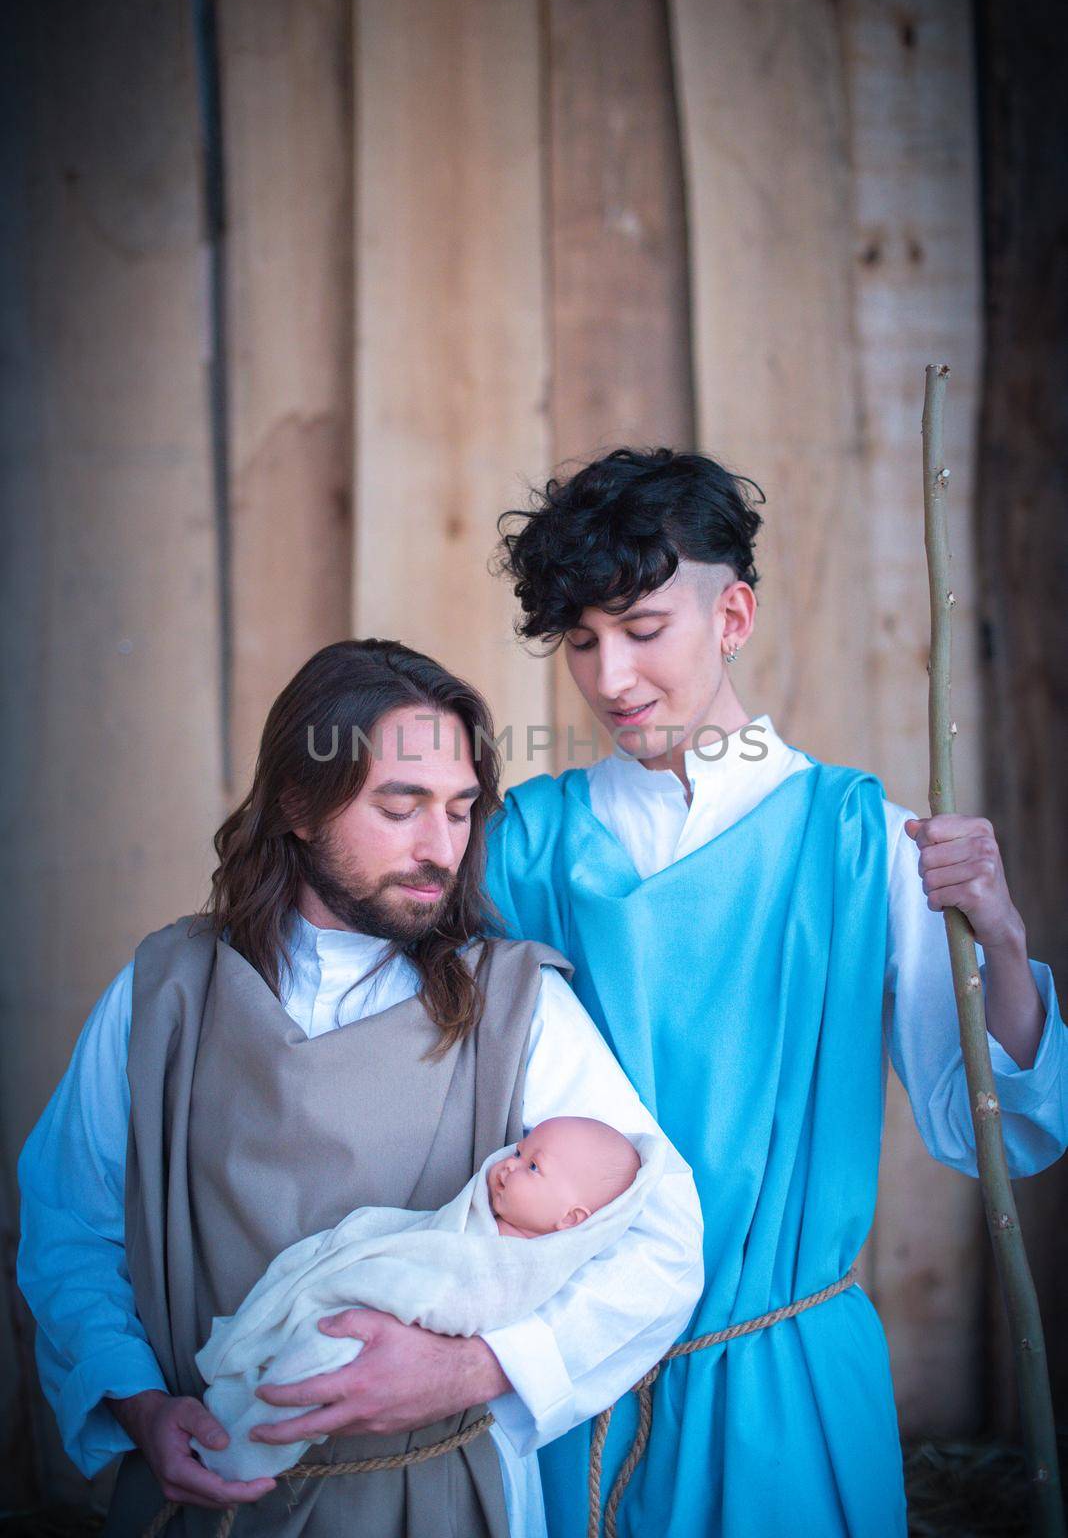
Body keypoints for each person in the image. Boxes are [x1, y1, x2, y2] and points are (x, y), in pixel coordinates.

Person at [486, 447, 1068, 1538]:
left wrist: (1002, 934)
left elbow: (1001, 1131)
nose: (610, 677)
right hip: (576, 1389)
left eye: (643, 628)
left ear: (734, 614)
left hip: (784, 1388)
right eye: (581, 641)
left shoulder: (866, 842)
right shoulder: (522, 846)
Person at [17, 639, 703, 1538]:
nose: (441, 847)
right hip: (209, 1498)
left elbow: (664, 1242)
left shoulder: (516, 1005)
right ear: (298, 802)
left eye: (461, 810)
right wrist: (141, 1402)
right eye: (401, 805)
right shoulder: (166, 991)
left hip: (441, 1500)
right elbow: (71, 1224)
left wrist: (475, 1371)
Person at [193, 1118, 651, 1484]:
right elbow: (423, 1239)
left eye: (533, 1167)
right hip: (372, 1287)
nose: (509, 1165)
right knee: (317, 1275)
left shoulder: (524, 1266)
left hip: (385, 1325)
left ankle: (237, 1453)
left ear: (570, 1219)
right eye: (517, 1152)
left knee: (318, 1363)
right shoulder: (479, 1218)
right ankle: (231, 1408)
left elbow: (460, 1298)